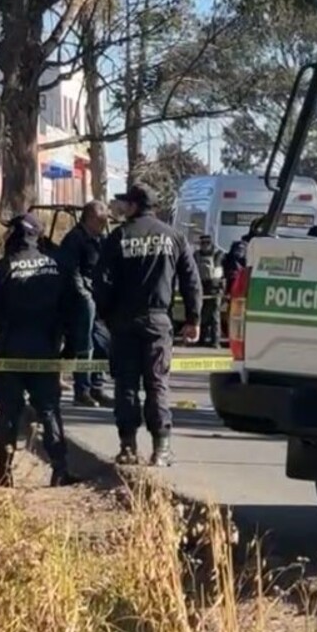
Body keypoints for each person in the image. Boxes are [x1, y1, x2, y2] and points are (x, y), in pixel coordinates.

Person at [93, 183, 202, 467]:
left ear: (133, 206)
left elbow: (101, 282)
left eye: (124, 204)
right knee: (156, 383)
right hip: (158, 321)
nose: (121, 208)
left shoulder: (119, 237)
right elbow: (192, 281)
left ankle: (128, 447)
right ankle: (161, 449)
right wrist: (193, 318)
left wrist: (105, 315)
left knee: (126, 385)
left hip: (124, 321)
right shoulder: (174, 237)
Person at [0, 212, 78, 488]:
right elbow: (73, 311)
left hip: (10, 351)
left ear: (17, 233)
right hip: (46, 350)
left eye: (8, 231)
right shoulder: (55, 266)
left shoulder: (2, 268)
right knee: (50, 409)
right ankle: (60, 470)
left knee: (8, 412)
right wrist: (71, 348)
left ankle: (4, 473)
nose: (4, 236)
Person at [56, 200, 113, 408]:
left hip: (97, 295)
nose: (103, 225)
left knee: (102, 343)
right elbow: (70, 271)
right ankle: (83, 391)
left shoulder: (99, 239)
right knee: (84, 345)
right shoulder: (75, 239)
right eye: (100, 221)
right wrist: (83, 295)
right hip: (79, 300)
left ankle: (97, 387)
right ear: (90, 218)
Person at [193, 234, 224, 347]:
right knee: (203, 314)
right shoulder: (197, 255)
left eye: (207, 243)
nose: (205, 246)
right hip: (204, 287)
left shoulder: (218, 255)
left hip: (213, 288)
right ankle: (204, 340)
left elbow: (220, 273)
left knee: (213, 315)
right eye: (203, 243)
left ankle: (214, 341)